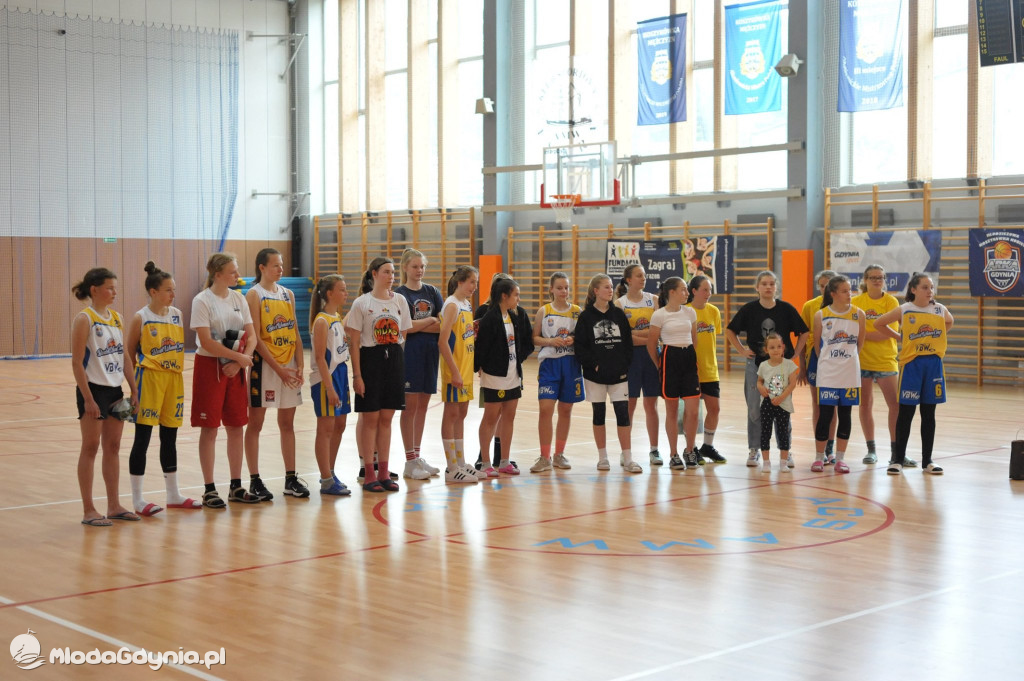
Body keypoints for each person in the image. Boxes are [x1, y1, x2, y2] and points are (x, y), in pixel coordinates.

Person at [124, 262, 198, 515]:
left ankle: (173, 494)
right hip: (149, 379)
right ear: (153, 292)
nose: (173, 294)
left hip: (173, 380)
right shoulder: (141, 317)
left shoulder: (177, 314)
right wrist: (133, 388)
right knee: (142, 439)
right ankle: (137, 499)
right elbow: (128, 352)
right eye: (168, 290)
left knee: (170, 437)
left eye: (174, 290)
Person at [71, 267, 140, 526]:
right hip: (93, 390)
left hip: (114, 391)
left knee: (113, 447)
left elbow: (123, 357)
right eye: (110, 287)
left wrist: (133, 389)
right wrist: (88, 399)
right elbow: (77, 363)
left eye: (115, 287)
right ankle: (89, 509)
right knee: (90, 447)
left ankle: (114, 505)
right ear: (94, 290)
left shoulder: (117, 318)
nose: (114, 292)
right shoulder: (84, 319)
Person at [190, 253, 258, 507]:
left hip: (236, 366)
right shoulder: (202, 301)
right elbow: (206, 341)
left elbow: (252, 336)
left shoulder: (239, 298)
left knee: (236, 426)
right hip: (209, 367)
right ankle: (209, 489)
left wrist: (242, 358)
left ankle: (235, 486)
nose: (237, 276)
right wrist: (237, 359)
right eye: (232, 272)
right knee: (210, 429)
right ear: (217, 275)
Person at [726, 270, 809, 467]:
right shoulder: (749, 309)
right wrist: (741, 350)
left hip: (781, 367)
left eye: (772, 283)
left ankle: (785, 451)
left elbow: (804, 332)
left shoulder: (786, 309)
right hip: (755, 365)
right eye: (764, 284)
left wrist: (796, 352)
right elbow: (730, 330)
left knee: (783, 408)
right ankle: (754, 449)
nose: (768, 287)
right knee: (755, 408)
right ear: (757, 287)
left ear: (776, 287)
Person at [873, 274, 954, 476]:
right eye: (925, 287)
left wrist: (937, 337)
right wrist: (900, 336)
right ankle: (898, 460)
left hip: (933, 364)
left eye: (931, 287)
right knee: (906, 414)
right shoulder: (905, 309)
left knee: (929, 414)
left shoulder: (939, 309)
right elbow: (879, 324)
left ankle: (927, 461)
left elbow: (949, 322)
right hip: (912, 365)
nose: (930, 291)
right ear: (914, 290)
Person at [346, 257, 412, 492]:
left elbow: (402, 334)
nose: (391, 276)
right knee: (370, 419)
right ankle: (370, 473)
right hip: (370, 361)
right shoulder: (362, 303)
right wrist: (358, 376)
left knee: (386, 419)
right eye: (386, 272)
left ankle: (384, 472)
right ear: (374, 274)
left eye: (393, 272)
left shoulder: (400, 301)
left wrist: (396, 366)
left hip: (393, 360)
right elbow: (354, 343)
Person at [244, 248, 306, 500]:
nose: (281, 269)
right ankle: (255, 479)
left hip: (288, 363)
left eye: (282, 265)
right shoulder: (253, 294)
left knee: (287, 423)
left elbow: (296, 333)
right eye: (275, 265)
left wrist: (300, 363)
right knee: (255, 423)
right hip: (266, 366)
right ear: (261, 267)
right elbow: (255, 338)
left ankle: (290, 478)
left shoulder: (287, 294)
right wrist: (278, 369)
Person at [575, 274, 640, 473]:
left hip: (618, 374)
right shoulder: (586, 317)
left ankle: (628, 458)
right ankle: (603, 457)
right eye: (606, 287)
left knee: (623, 414)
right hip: (595, 376)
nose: (610, 290)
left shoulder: (619, 315)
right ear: (596, 291)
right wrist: (593, 365)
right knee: (599, 414)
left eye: (611, 287)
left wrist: (624, 365)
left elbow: (628, 344)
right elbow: (580, 346)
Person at [852, 264, 911, 466]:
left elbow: (887, 332)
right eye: (873, 277)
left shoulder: (891, 301)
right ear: (865, 280)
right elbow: (853, 332)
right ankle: (871, 450)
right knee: (865, 404)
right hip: (862, 361)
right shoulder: (857, 302)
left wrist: (863, 334)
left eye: (881, 277)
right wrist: (865, 335)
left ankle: (897, 451)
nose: (877, 280)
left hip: (886, 360)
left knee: (895, 405)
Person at [474, 277, 533, 476]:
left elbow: (522, 344)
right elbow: (481, 348)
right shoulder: (489, 319)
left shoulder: (514, 317)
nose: (518, 299)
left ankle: (504, 460)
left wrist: (518, 361)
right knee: (491, 417)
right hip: (494, 376)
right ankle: (485, 461)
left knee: (509, 416)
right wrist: (479, 368)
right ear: (504, 296)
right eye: (516, 295)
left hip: (513, 375)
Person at [395, 249, 444, 481]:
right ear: (405, 267)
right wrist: (428, 320)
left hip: (430, 354)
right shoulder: (399, 295)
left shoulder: (432, 292)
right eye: (415, 266)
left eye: (422, 266)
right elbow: (404, 327)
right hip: (409, 355)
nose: (419, 270)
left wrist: (418, 324)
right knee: (410, 407)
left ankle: (417, 456)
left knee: (423, 406)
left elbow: (443, 325)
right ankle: (409, 460)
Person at [809, 275, 865, 474]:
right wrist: (830, 360)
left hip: (849, 373)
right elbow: (817, 346)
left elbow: (860, 343)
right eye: (844, 291)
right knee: (825, 415)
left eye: (850, 290)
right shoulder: (821, 315)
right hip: (828, 374)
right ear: (833, 294)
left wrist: (846, 359)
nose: (849, 294)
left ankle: (840, 458)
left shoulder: (859, 314)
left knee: (845, 414)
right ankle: (819, 457)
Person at [530, 272, 584, 473]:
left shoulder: (577, 311)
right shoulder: (544, 311)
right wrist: (550, 341)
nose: (564, 291)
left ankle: (559, 454)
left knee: (566, 409)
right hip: (549, 365)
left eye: (566, 288)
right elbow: (535, 338)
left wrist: (574, 339)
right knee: (545, 409)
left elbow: (584, 337)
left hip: (571, 363)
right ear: (551, 289)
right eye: (559, 288)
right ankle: (544, 457)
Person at [647, 277, 700, 470]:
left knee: (693, 411)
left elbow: (694, 339)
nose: (687, 293)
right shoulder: (659, 315)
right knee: (672, 410)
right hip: (670, 358)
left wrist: (692, 359)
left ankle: (689, 450)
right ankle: (673, 453)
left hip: (688, 358)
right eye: (684, 290)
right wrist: (659, 364)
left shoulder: (690, 312)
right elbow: (651, 344)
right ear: (672, 293)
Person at [308, 274, 353, 497]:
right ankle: (326, 479)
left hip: (341, 373)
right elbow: (319, 358)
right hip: (327, 377)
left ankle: (331, 471)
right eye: (342, 289)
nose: (346, 293)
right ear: (330, 293)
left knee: (340, 425)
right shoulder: (322, 321)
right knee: (325, 428)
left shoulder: (336, 316)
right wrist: (329, 387)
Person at [614, 265, 661, 465]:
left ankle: (654, 450)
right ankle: (627, 452)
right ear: (628, 280)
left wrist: (636, 335)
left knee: (651, 405)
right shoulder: (619, 304)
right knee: (629, 406)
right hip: (630, 359)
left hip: (652, 357)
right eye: (638, 275)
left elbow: (658, 332)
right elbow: (623, 338)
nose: (643, 278)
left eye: (644, 275)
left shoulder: (654, 300)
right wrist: (647, 336)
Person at [438, 265, 481, 483]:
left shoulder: (466, 305)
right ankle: (451, 467)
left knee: (462, 414)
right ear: (460, 282)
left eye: (476, 282)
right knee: (452, 414)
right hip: (454, 370)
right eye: (472, 282)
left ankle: (461, 462)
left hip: (465, 369)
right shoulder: (452, 305)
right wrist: (454, 371)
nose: (475, 286)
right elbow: (442, 341)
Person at [685, 275, 726, 464]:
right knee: (691, 413)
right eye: (705, 290)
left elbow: (712, 339)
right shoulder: (685, 312)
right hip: (691, 371)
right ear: (694, 291)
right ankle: (691, 448)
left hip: (711, 369)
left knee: (715, 409)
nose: (708, 293)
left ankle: (707, 446)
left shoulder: (714, 311)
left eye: (710, 290)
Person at [800, 270, 839, 464]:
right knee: (818, 404)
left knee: (833, 406)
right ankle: (820, 449)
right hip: (815, 359)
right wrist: (801, 367)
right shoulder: (810, 306)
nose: (826, 288)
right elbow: (802, 336)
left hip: (838, 361)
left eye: (829, 285)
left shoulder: (846, 307)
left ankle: (831, 449)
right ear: (819, 287)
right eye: (822, 285)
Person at [756, 333, 800, 473]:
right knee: (765, 432)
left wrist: (782, 398)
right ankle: (766, 462)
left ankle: (783, 462)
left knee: (783, 432)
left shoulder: (789, 365)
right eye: (772, 347)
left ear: (783, 348)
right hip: (767, 404)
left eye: (779, 346)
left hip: (783, 404)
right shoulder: (763, 365)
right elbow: (759, 381)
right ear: (766, 350)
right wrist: (761, 388)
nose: (776, 350)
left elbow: (792, 384)